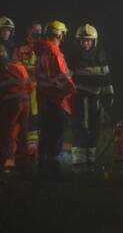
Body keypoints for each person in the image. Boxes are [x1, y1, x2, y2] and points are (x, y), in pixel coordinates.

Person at [68, 24, 114, 167]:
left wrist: (109, 94)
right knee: (80, 128)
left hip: (96, 100)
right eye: (82, 40)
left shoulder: (100, 55)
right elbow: (68, 80)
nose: (85, 43)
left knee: (95, 128)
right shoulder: (73, 58)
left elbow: (106, 77)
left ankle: (91, 159)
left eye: (88, 40)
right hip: (79, 100)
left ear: (94, 41)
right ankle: (79, 162)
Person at [35, 21, 75, 174]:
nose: (63, 37)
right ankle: (53, 167)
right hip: (56, 99)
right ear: (58, 34)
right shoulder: (54, 51)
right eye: (63, 34)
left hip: (44, 99)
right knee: (56, 133)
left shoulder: (41, 51)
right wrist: (73, 90)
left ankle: (42, 165)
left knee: (45, 133)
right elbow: (62, 77)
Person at [0, 45, 33, 172]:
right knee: (22, 132)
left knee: (6, 132)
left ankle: (5, 162)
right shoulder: (19, 67)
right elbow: (30, 86)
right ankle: (23, 163)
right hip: (25, 101)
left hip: (9, 104)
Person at [14, 23, 42, 159]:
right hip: (25, 96)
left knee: (38, 127)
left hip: (41, 96)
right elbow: (16, 72)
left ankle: (36, 155)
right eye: (35, 32)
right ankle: (26, 156)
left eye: (40, 33)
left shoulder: (44, 50)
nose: (38, 35)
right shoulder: (20, 51)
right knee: (26, 126)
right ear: (28, 34)